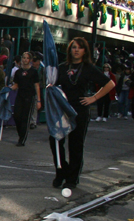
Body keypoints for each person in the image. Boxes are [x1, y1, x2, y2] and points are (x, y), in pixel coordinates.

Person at [48, 37, 115, 189]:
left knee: (75, 145)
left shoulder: (89, 68)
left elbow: (110, 84)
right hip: (62, 109)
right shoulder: (62, 67)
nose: (76, 50)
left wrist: (94, 98)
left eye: (79, 47)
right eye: (73, 47)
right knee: (55, 141)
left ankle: (72, 178)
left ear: (85, 50)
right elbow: (53, 84)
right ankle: (61, 171)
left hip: (80, 110)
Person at [10, 52, 41, 146]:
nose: (25, 59)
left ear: (30, 60)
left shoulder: (34, 72)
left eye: (27, 58)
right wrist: (7, 89)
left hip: (29, 96)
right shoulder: (18, 72)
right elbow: (16, 85)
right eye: (23, 58)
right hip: (20, 95)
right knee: (16, 115)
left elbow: (37, 85)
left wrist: (38, 100)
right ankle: (20, 134)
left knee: (25, 118)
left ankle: (22, 139)